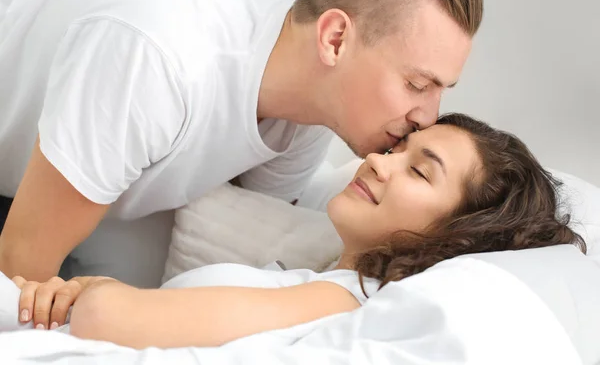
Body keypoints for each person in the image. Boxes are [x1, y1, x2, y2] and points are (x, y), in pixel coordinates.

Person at [0, 0, 483, 283]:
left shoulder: (316, 104)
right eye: (418, 85)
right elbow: (21, 266)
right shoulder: (159, 59)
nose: (428, 118)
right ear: (335, 39)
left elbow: (241, 235)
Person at [11, 114, 586, 348]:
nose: (377, 161)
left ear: (459, 232)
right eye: (398, 147)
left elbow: (111, 321)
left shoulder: (339, 300)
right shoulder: (320, 282)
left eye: (417, 170)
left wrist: (92, 293)